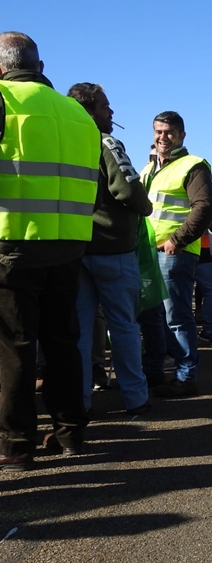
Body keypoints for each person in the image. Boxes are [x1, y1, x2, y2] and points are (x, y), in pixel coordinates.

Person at [0, 32, 100, 469]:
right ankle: (70, 434)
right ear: (39, 66)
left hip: (13, 242)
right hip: (69, 243)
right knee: (63, 342)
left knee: (15, 346)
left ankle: (16, 445)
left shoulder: (4, 98)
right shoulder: (77, 112)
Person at [66, 82, 153, 415]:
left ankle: (80, 403)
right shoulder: (106, 142)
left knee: (81, 332)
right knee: (124, 327)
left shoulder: (65, 141)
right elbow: (129, 191)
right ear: (90, 111)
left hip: (74, 248)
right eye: (105, 106)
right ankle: (135, 397)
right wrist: (143, 206)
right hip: (112, 249)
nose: (111, 112)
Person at [138, 111, 212, 397]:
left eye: (169, 132)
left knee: (176, 317)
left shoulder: (192, 165)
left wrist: (177, 240)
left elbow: (205, 207)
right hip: (147, 253)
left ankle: (186, 378)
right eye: (158, 131)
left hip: (174, 253)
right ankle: (155, 372)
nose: (163, 137)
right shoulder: (148, 169)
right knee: (152, 316)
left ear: (182, 135)